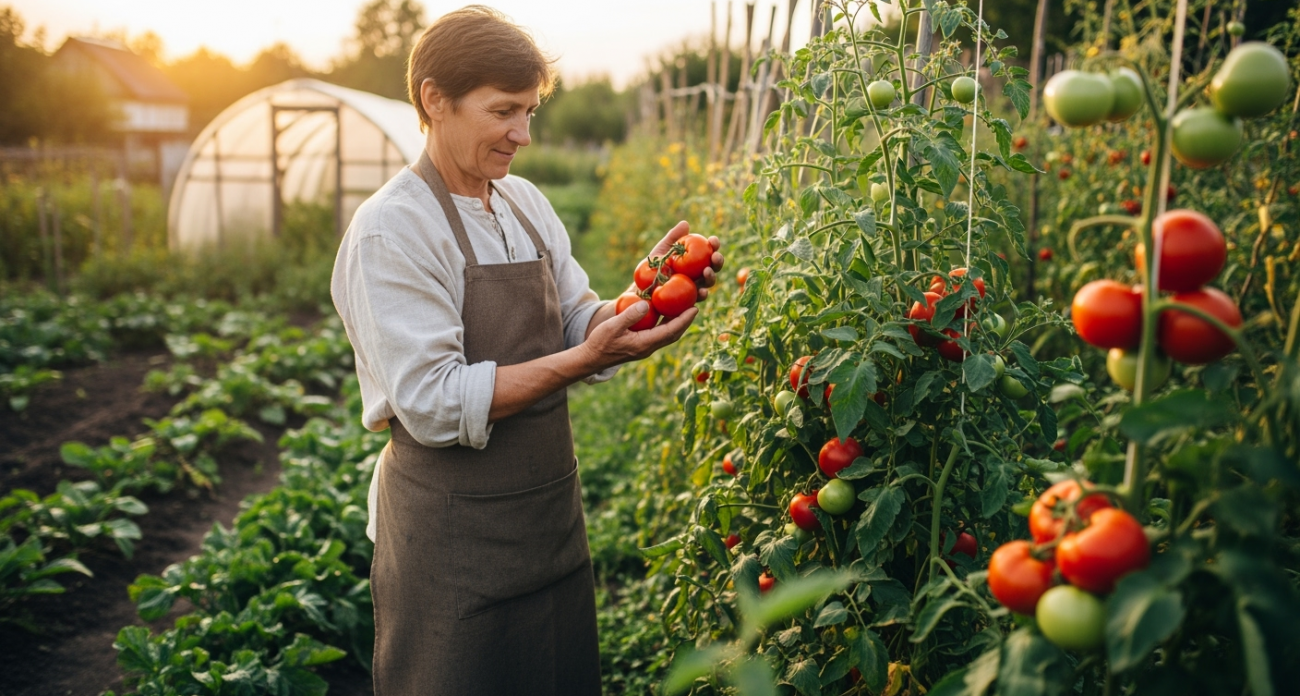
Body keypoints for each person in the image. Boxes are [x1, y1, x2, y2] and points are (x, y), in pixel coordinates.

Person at [329, 5, 723, 695]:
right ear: (434, 101)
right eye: (505, 110)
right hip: (450, 543)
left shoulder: (523, 205)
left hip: (549, 524)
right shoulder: (393, 230)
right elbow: (433, 402)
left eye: (532, 111)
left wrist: (654, 290)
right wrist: (584, 361)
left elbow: (575, 316)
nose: (524, 134)